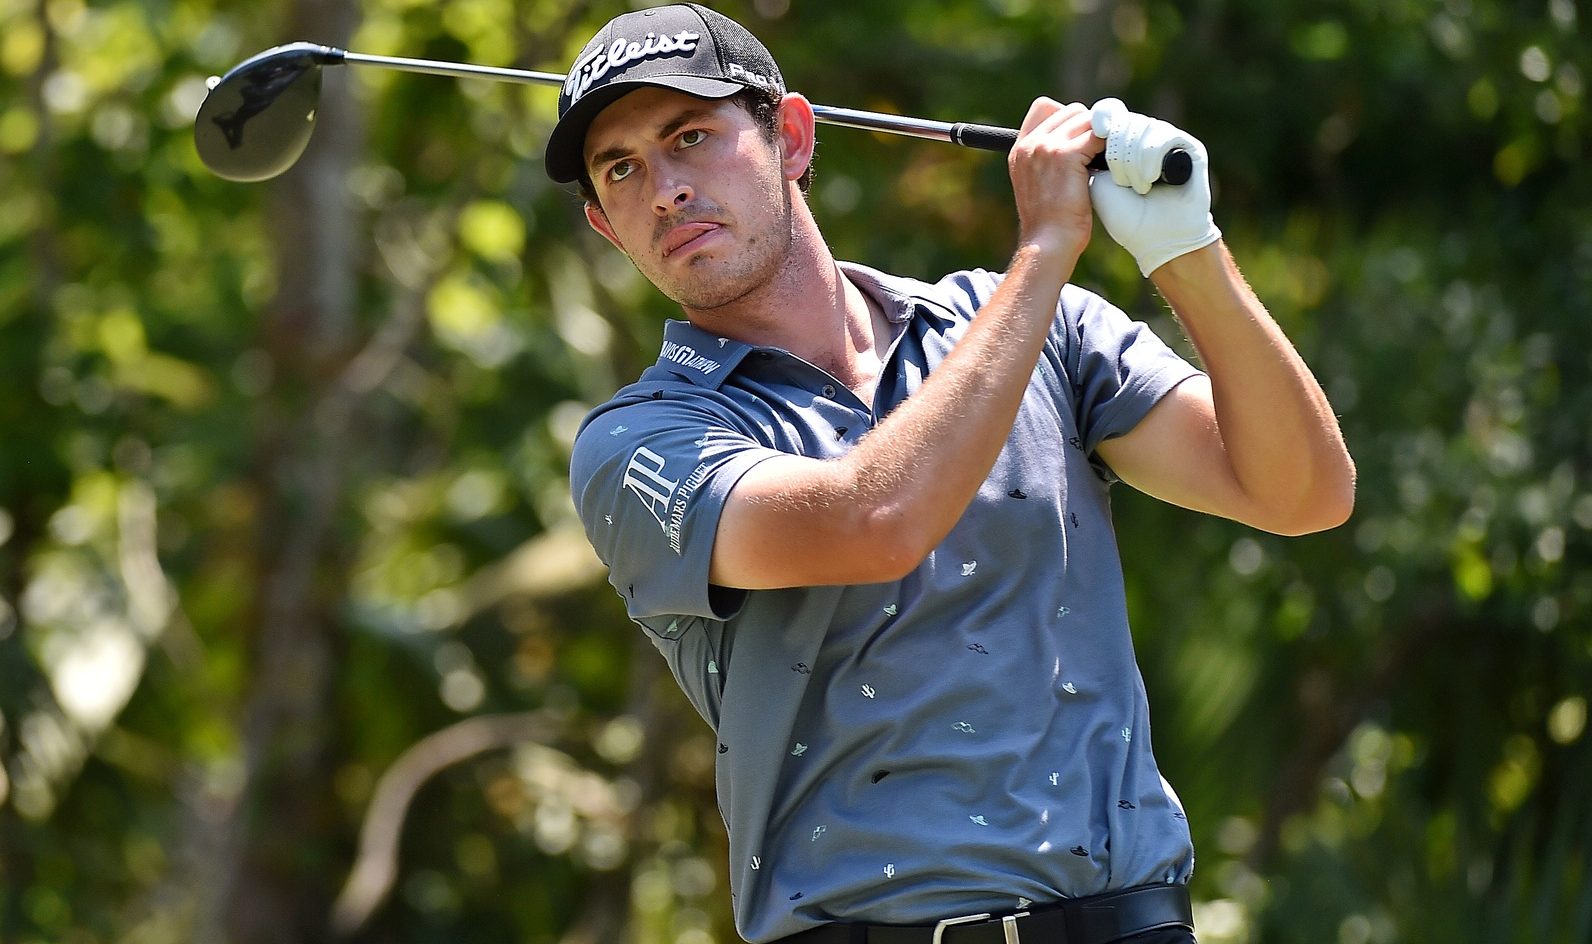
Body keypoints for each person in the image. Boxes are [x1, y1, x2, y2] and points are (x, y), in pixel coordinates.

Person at [545, 5, 1355, 943]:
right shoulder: (638, 442)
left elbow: (1303, 493)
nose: (666, 190)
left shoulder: (1043, 327)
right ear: (606, 226)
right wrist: (1044, 250)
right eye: (622, 169)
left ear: (792, 138)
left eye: (691, 136)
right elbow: (875, 520)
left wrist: (1187, 254)